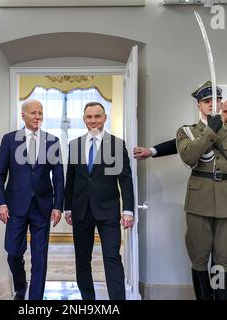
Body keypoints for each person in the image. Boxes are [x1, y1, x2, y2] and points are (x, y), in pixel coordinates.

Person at [135, 96, 227, 299]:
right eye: (226, 111)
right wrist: (152, 150)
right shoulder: (199, 131)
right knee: (202, 257)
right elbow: (186, 150)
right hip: (205, 203)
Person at [177, 81, 227, 300]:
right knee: (199, 258)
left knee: (223, 259)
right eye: (207, 101)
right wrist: (211, 130)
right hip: (198, 203)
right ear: (199, 106)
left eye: (217, 100)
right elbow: (190, 157)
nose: (213, 104)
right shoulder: (186, 131)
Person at [0, 99, 64, 300]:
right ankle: (21, 285)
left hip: (42, 207)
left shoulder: (52, 141)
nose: (38, 117)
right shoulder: (9, 140)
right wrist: (1, 202)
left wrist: (58, 206)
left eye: (40, 113)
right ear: (23, 115)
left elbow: (58, 177)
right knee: (13, 252)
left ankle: (35, 301)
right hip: (15, 206)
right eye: (33, 113)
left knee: (40, 257)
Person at [64, 102, 134, 300]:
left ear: (104, 118)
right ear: (84, 119)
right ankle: (88, 300)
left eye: (97, 116)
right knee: (82, 260)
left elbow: (125, 179)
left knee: (112, 257)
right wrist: (67, 207)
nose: (93, 120)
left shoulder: (116, 145)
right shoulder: (75, 144)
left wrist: (128, 209)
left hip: (108, 211)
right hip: (81, 211)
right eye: (89, 117)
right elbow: (71, 178)